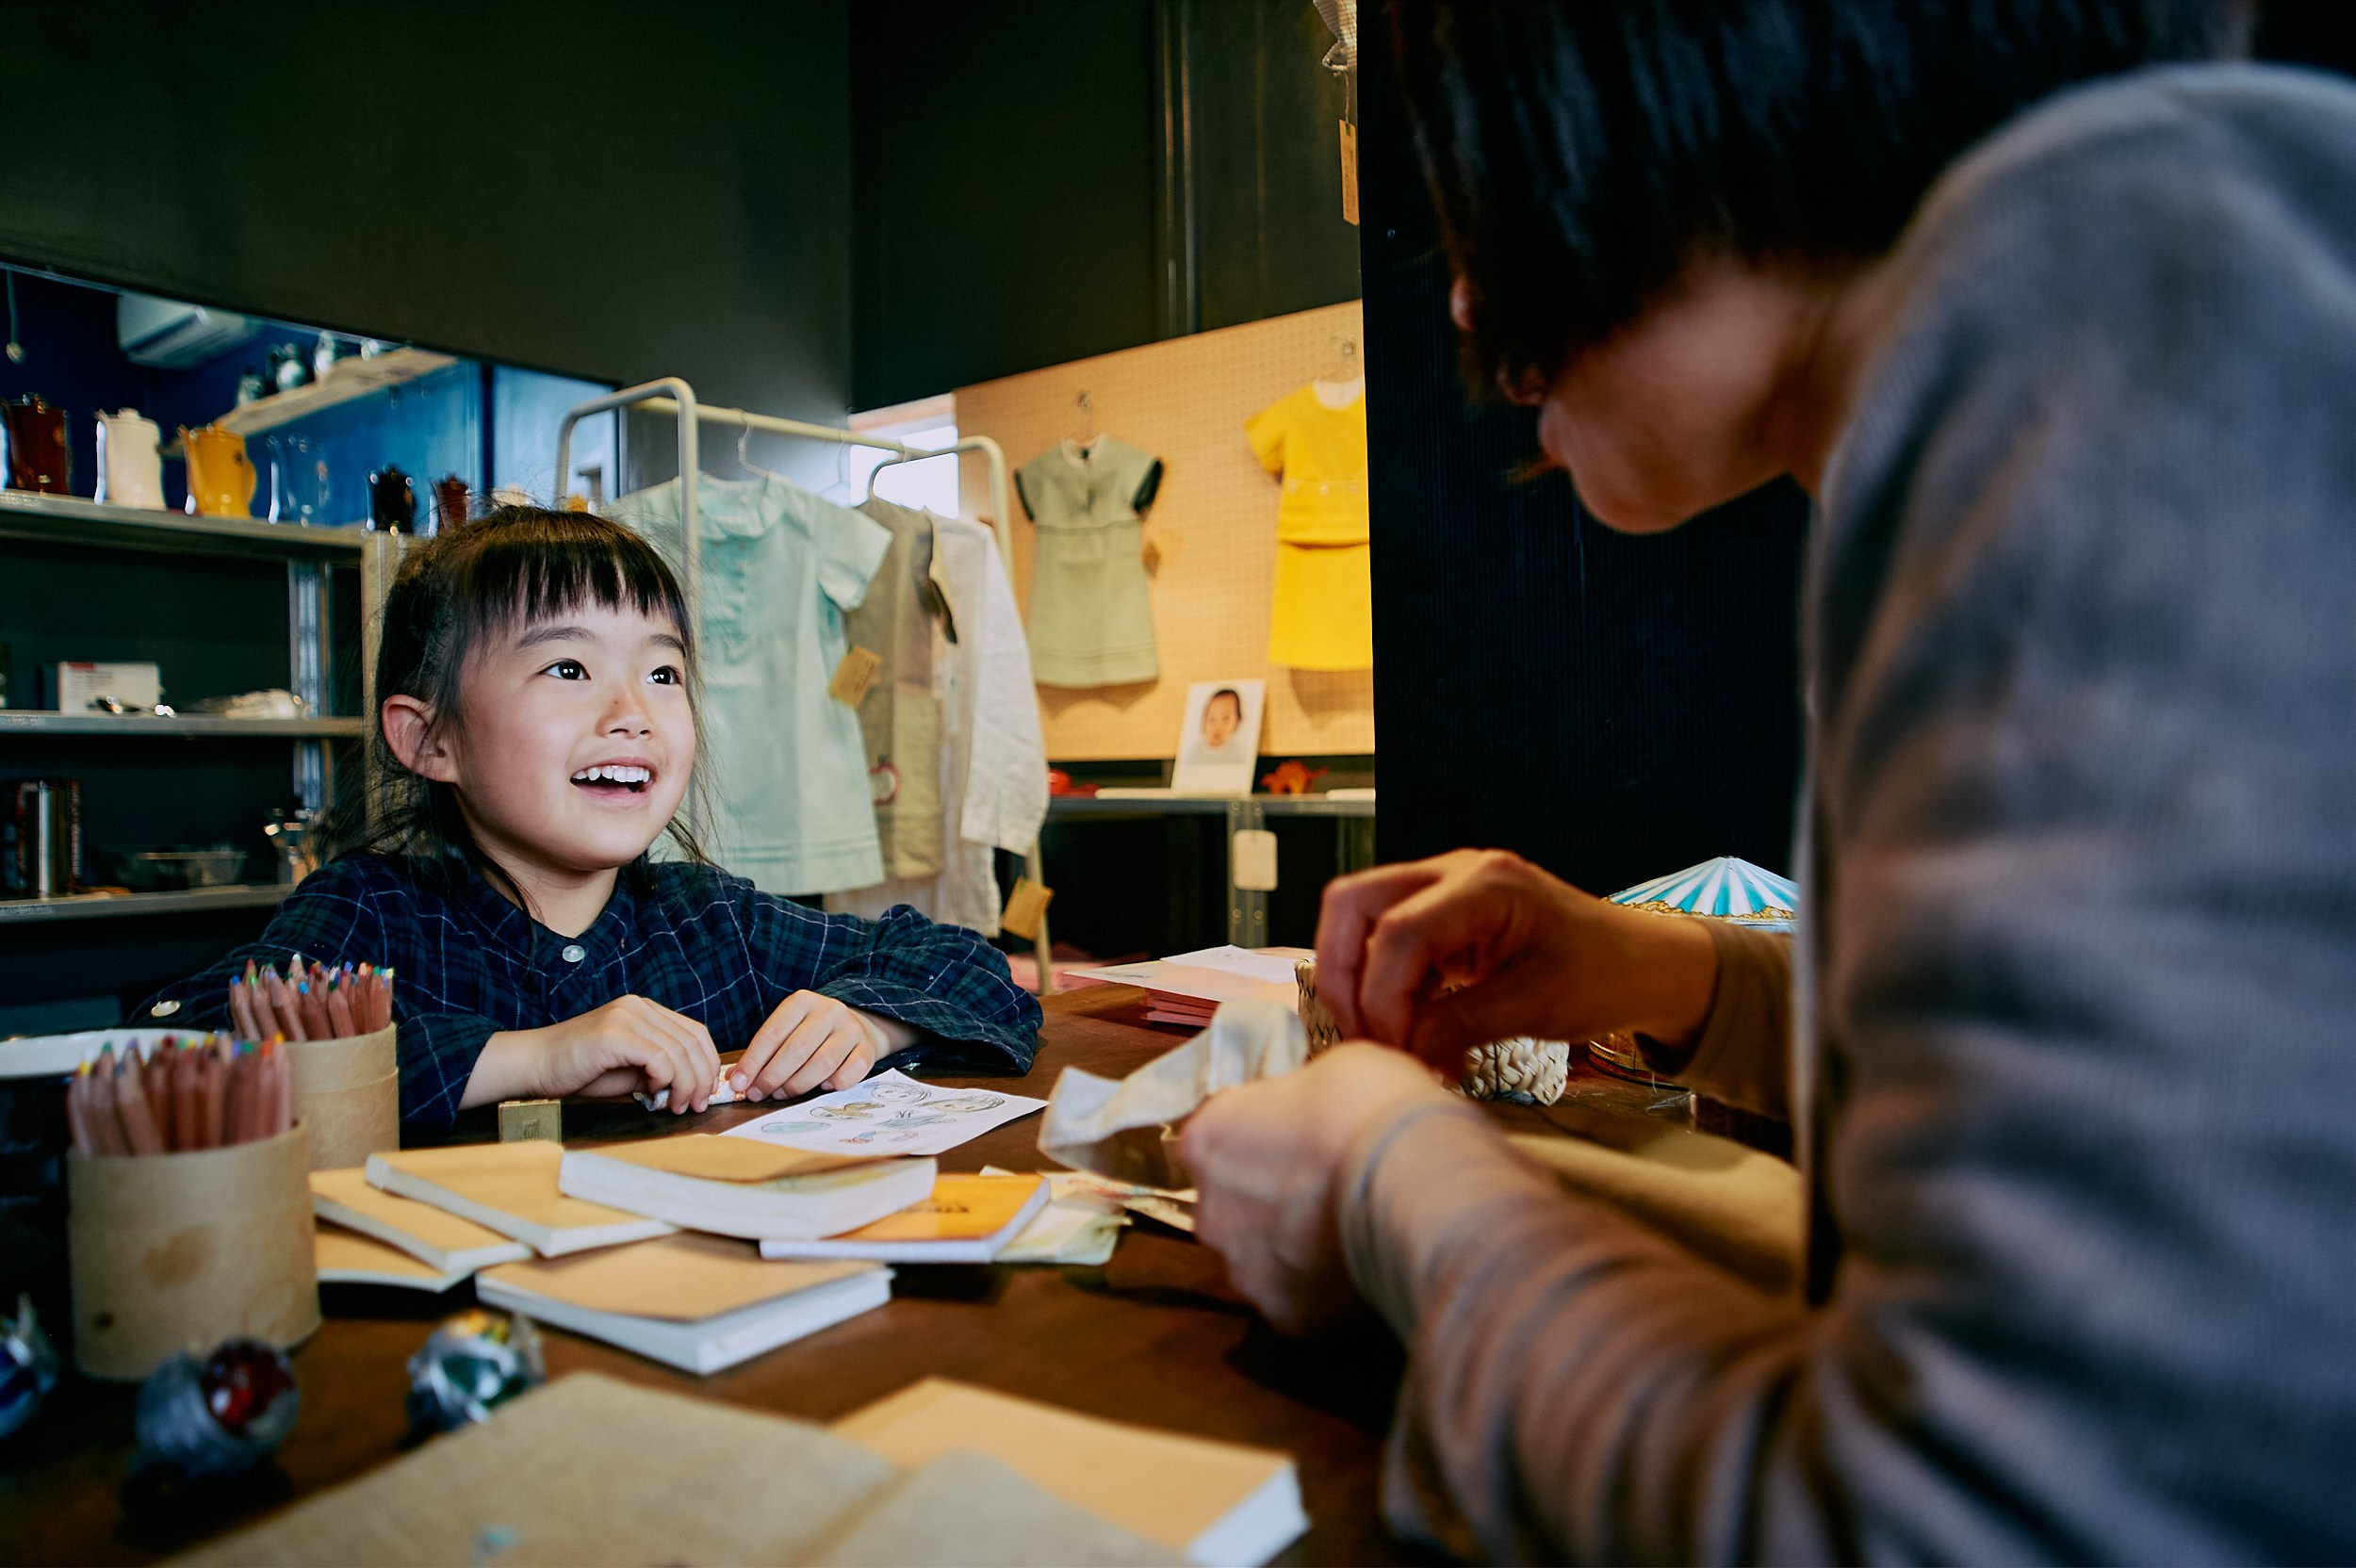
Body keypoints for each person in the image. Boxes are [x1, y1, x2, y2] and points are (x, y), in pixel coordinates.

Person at [1180, 2, 2356, 1560]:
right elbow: (2164, 1089)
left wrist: (1386, 1177)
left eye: (1486, 165)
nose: (1466, 292)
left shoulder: (2112, 356)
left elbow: (1951, 1523)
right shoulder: (2175, 284)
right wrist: (1669, 969)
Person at [139, 507, 1040, 1134]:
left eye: (663, 673)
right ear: (430, 739)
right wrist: (531, 1059)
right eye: (568, 670)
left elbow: (968, 965)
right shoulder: (374, 913)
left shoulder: (709, 919)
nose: (633, 712)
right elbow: (180, 1040)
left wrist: (870, 1023)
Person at [1198, 687, 1245, 753]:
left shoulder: (1238, 752)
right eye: (1212, 719)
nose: (1218, 726)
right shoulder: (1195, 752)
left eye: (1225, 719)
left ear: (1237, 722)